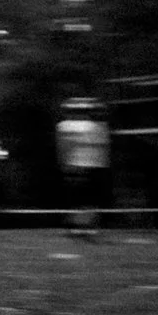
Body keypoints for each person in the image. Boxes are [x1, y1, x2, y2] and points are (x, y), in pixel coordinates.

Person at [53, 96, 113, 239]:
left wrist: (63, 163)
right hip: (91, 165)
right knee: (88, 199)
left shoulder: (65, 126)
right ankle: (84, 226)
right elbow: (104, 148)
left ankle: (78, 226)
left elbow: (63, 147)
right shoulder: (98, 126)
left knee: (78, 198)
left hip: (76, 165)